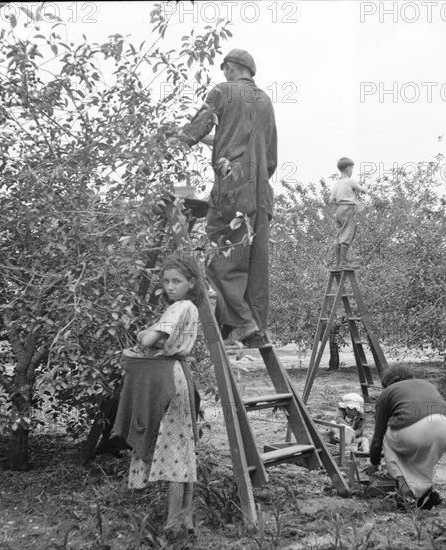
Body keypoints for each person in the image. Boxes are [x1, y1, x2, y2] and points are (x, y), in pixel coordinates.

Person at [179, 49, 278, 348]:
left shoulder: (222, 91)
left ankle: (240, 322)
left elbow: (194, 131)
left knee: (221, 257)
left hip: (232, 187)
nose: (223, 75)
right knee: (253, 263)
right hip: (260, 192)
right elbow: (268, 154)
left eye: (225, 70)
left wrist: (168, 138)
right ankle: (253, 325)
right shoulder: (264, 101)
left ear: (233, 68)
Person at [112, 255, 205, 533]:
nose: (170, 287)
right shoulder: (190, 308)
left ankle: (173, 523)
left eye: (177, 281)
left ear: (191, 282)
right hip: (179, 376)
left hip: (168, 379)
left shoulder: (180, 307)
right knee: (183, 448)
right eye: (166, 281)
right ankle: (184, 518)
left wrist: (144, 333)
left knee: (174, 451)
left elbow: (149, 340)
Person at [366, 365, 446, 509]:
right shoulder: (426, 384)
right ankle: (426, 494)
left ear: (387, 382)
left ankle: (407, 495)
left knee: (388, 439)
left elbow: (378, 437)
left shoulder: (388, 393)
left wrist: (374, 462)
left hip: (416, 426)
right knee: (423, 455)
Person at [329, 157, 373, 269]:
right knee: (347, 233)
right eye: (352, 168)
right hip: (348, 209)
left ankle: (337, 263)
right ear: (348, 168)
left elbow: (331, 200)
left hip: (339, 210)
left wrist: (342, 201)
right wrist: (367, 186)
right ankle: (343, 262)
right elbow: (363, 190)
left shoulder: (337, 184)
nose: (352, 171)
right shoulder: (350, 181)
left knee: (339, 235)